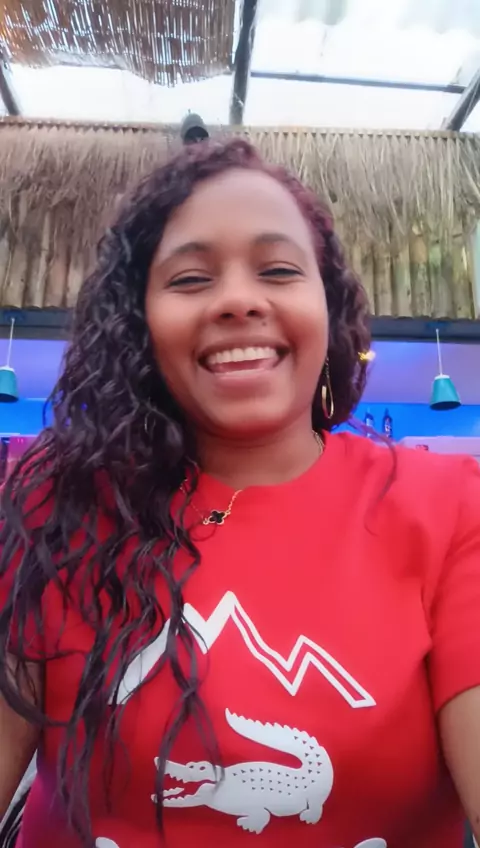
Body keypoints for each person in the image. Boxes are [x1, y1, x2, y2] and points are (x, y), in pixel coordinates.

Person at [0, 138, 479, 848]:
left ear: (328, 305)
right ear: (140, 320)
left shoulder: (451, 508)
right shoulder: (49, 504)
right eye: (190, 279)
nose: (237, 301)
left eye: (278, 270)